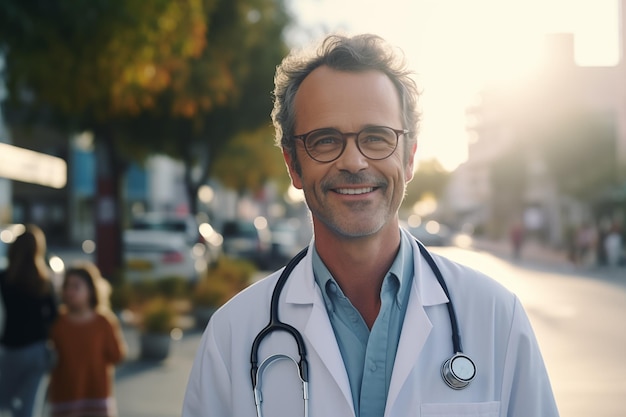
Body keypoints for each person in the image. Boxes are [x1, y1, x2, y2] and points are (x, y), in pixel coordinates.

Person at [183, 33, 559, 417]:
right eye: (326, 140)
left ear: (409, 158)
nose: (354, 162)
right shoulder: (232, 335)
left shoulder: (496, 317)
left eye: (376, 138)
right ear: (293, 165)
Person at [47, 262, 126, 417]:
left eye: (76, 287)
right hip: (65, 399)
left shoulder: (104, 322)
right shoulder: (58, 323)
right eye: (67, 286)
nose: (70, 291)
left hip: (97, 398)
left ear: (91, 290)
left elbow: (117, 355)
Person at [0, 224, 58, 417]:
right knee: (30, 407)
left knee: (5, 400)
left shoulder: (5, 279)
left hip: (11, 347)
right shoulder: (43, 281)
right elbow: (53, 316)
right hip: (37, 348)